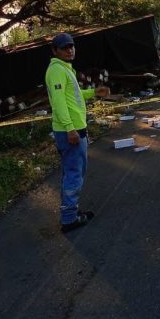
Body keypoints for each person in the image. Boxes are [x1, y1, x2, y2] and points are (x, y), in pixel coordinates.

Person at [45, 33, 110, 233]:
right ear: (55, 51)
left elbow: (72, 95)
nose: (69, 50)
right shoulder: (56, 70)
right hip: (70, 131)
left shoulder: (65, 69)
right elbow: (58, 103)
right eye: (64, 47)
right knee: (74, 174)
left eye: (71, 46)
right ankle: (69, 218)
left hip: (75, 128)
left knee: (74, 172)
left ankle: (70, 210)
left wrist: (92, 93)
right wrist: (70, 128)